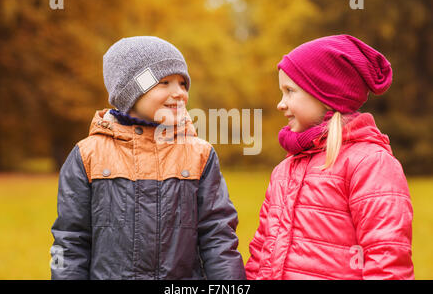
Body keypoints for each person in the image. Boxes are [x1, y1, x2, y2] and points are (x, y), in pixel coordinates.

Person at [51, 36, 245, 280]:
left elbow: (218, 237)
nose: (179, 93)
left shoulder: (200, 154)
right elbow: (70, 242)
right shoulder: (88, 155)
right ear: (131, 92)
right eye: (164, 83)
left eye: (183, 84)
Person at [246, 34, 414, 280]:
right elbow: (262, 250)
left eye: (289, 91)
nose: (280, 104)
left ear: (325, 94)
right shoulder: (285, 169)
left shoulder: (370, 164)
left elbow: (386, 259)